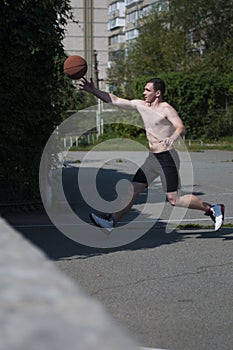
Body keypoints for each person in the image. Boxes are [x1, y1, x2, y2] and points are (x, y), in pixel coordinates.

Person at [78, 77, 225, 232]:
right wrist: (93, 90)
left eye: (148, 90)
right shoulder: (141, 105)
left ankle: (212, 209)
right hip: (152, 158)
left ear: (158, 93)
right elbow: (115, 100)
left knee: (174, 199)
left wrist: (172, 138)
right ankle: (111, 221)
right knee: (132, 190)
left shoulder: (166, 109)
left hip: (167, 157)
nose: (144, 92)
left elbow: (181, 128)